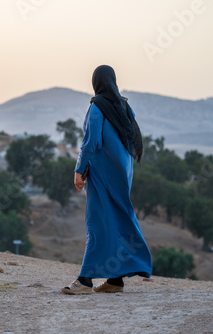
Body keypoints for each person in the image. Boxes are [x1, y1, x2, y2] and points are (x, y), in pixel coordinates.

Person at [61, 65, 152, 295]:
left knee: (96, 223)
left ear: (96, 83)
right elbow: (133, 141)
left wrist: (78, 171)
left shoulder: (97, 107)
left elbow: (90, 143)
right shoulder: (124, 106)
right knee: (115, 221)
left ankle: (84, 280)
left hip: (103, 174)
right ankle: (115, 280)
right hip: (123, 174)